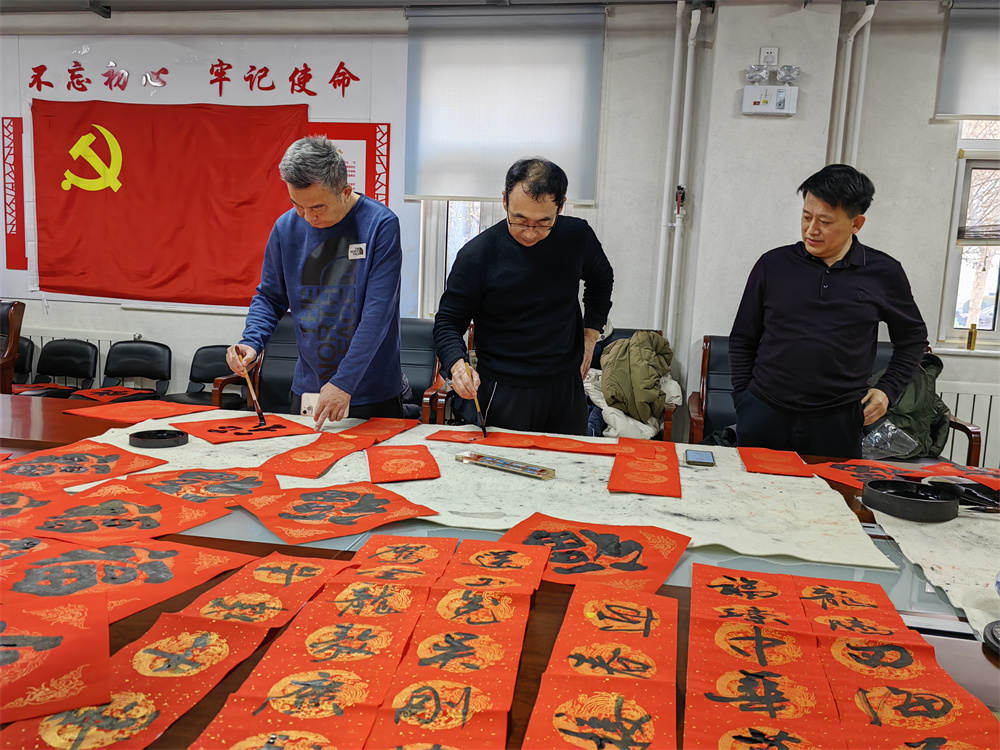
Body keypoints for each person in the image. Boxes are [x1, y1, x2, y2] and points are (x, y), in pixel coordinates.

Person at [729, 163, 928, 459]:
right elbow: (743, 337)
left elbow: (913, 338)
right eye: (806, 216)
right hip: (765, 412)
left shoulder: (884, 273)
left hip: (839, 421)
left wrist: (888, 390)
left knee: (833, 490)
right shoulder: (773, 265)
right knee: (754, 488)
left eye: (825, 221)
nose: (812, 229)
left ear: (856, 223)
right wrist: (744, 399)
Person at [227, 135, 403, 429]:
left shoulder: (380, 225)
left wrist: (344, 382)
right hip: (309, 387)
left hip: (371, 390)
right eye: (297, 205)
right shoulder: (285, 228)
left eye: (318, 208)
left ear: (345, 192)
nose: (307, 217)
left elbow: (377, 314)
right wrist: (251, 342)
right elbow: (270, 297)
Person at [433, 157, 614, 436]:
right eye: (519, 220)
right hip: (504, 390)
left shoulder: (577, 236)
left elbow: (601, 280)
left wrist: (590, 336)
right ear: (505, 201)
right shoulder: (477, 255)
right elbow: (447, 322)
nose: (530, 233)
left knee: (569, 461)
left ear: (560, 206)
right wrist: (457, 366)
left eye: (543, 222)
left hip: (566, 388)